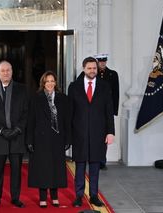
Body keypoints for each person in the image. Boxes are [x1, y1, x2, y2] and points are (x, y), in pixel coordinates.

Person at [68, 57, 114, 207]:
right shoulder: (73, 87)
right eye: (89, 68)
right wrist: (69, 134)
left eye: (94, 68)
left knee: (95, 166)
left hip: (98, 134)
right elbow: (70, 112)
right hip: (79, 134)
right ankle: (79, 196)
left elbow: (109, 111)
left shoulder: (105, 86)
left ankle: (94, 195)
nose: (92, 71)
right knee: (80, 166)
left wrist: (110, 132)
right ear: (83, 69)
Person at [0, 60, 28, 208]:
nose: (5, 73)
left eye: (8, 70)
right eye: (2, 71)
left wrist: (17, 129)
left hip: (17, 137)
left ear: (12, 72)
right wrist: (1, 130)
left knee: (16, 171)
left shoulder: (22, 89)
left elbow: (26, 112)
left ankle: (15, 198)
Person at [27, 71, 71, 208]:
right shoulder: (36, 98)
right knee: (42, 168)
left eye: (52, 81)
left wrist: (68, 139)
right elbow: (30, 120)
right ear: (43, 83)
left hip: (57, 138)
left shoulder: (63, 98)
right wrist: (29, 140)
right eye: (47, 81)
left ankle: (55, 196)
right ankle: (42, 198)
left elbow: (67, 120)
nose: (50, 83)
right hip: (40, 139)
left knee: (56, 168)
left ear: (56, 82)